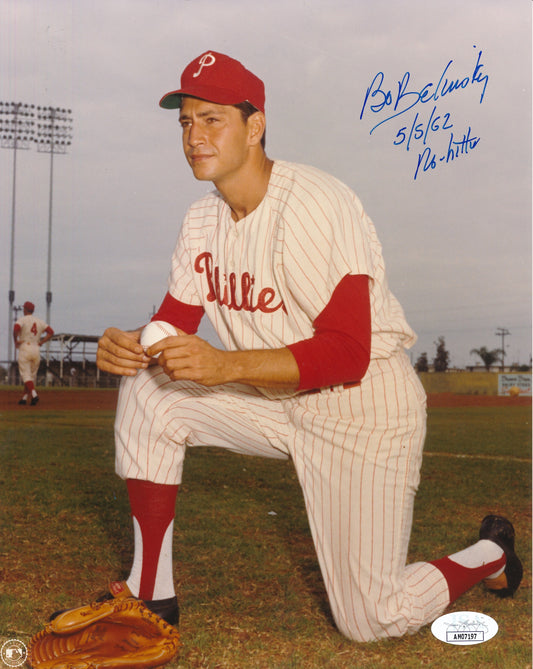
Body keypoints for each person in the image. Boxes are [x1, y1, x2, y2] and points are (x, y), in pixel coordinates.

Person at [94, 51, 521, 641]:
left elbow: (346, 352)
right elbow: (171, 323)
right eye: (186, 121)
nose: (195, 136)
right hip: (273, 400)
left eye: (213, 119)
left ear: (256, 126)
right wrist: (130, 345)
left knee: (372, 619)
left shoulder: (318, 204)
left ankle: (488, 554)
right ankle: (150, 596)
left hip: (362, 409)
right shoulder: (200, 221)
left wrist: (223, 364)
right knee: (148, 386)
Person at [13, 301, 54, 406]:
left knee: (26, 376)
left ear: (26, 310)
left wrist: (15, 340)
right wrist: (41, 342)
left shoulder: (22, 319)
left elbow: (15, 329)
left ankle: (34, 395)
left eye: (24, 309)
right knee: (30, 377)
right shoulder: (39, 321)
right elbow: (51, 332)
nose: (23, 310)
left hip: (25, 347)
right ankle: (24, 398)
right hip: (36, 348)